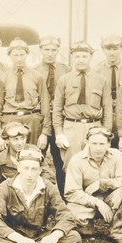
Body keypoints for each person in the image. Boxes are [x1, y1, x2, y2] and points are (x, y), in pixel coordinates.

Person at [0, 147, 81, 243]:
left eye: (34, 169)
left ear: (40, 170)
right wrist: (20, 239)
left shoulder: (48, 187)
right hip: (14, 235)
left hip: (40, 235)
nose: (29, 174)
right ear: (19, 168)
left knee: (75, 237)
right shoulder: (6, 187)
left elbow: (66, 216)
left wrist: (53, 236)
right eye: (26, 168)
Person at [64, 127, 122, 243]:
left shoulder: (117, 155)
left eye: (102, 144)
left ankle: (116, 231)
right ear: (87, 142)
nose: (98, 148)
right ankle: (87, 229)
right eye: (94, 143)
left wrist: (103, 183)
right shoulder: (76, 160)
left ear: (108, 143)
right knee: (73, 215)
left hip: (111, 200)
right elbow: (71, 192)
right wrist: (97, 203)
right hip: (87, 202)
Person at [52, 41, 112, 169]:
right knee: (71, 166)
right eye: (77, 56)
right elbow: (57, 108)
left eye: (84, 56)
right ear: (72, 57)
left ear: (90, 57)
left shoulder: (101, 80)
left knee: (95, 165)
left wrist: (106, 133)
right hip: (71, 127)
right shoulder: (64, 80)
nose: (81, 60)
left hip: (94, 126)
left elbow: (107, 109)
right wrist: (59, 133)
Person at [0, 37, 50, 151]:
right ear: (9, 55)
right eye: (15, 55)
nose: (19, 59)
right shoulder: (3, 79)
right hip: (10, 120)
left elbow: (45, 106)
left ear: (27, 54)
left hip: (32, 120)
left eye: (22, 54)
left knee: (33, 154)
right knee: (11, 157)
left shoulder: (37, 76)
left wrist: (44, 132)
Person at [34, 36, 71, 174]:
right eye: (46, 49)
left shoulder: (67, 70)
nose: (50, 53)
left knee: (61, 160)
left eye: (53, 50)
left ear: (58, 51)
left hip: (60, 120)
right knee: (36, 156)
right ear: (40, 50)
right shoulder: (34, 71)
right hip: (41, 119)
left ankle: (63, 193)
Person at [93, 34, 122, 149]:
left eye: (115, 49)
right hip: (104, 117)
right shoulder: (96, 72)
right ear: (103, 50)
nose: (112, 53)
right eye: (108, 49)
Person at [0, 122, 56, 188]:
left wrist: (40, 187)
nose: (20, 143)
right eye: (15, 139)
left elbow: (47, 175)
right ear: (7, 140)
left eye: (22, 138)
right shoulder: (0, 160)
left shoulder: (34, 151)